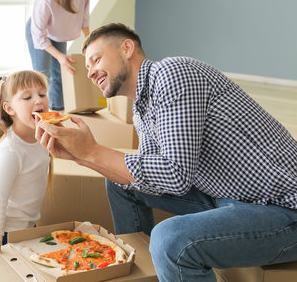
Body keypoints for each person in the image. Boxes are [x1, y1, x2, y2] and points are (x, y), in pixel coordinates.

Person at [35, 22, 297, 281]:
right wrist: (80, 157)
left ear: (127, 48)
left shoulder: (172, 73)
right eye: (88, 66)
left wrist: (92, 151)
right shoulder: (141, 108)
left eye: (96, 59)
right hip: (230, 194)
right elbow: (152, 179)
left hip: (282, 207)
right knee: (119, 183)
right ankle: (144, 275)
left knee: (170, 240)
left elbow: (175, 176)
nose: (90, 72)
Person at [0, 70, 53, 244]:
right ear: (9, 108)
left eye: (42, 94)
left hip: (26, 228)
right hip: (2, 233)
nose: (38, 100)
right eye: (27, 97)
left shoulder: (41, 136)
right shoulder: (10, 152)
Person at [26, 0, 90, 112]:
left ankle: (58, 112)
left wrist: (89, 42)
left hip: (59, 33)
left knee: (61, 73)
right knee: (42, 78)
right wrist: (59, 56)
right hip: (40, 34)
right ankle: (40, 116)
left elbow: (84, 14)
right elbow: (38, 34)